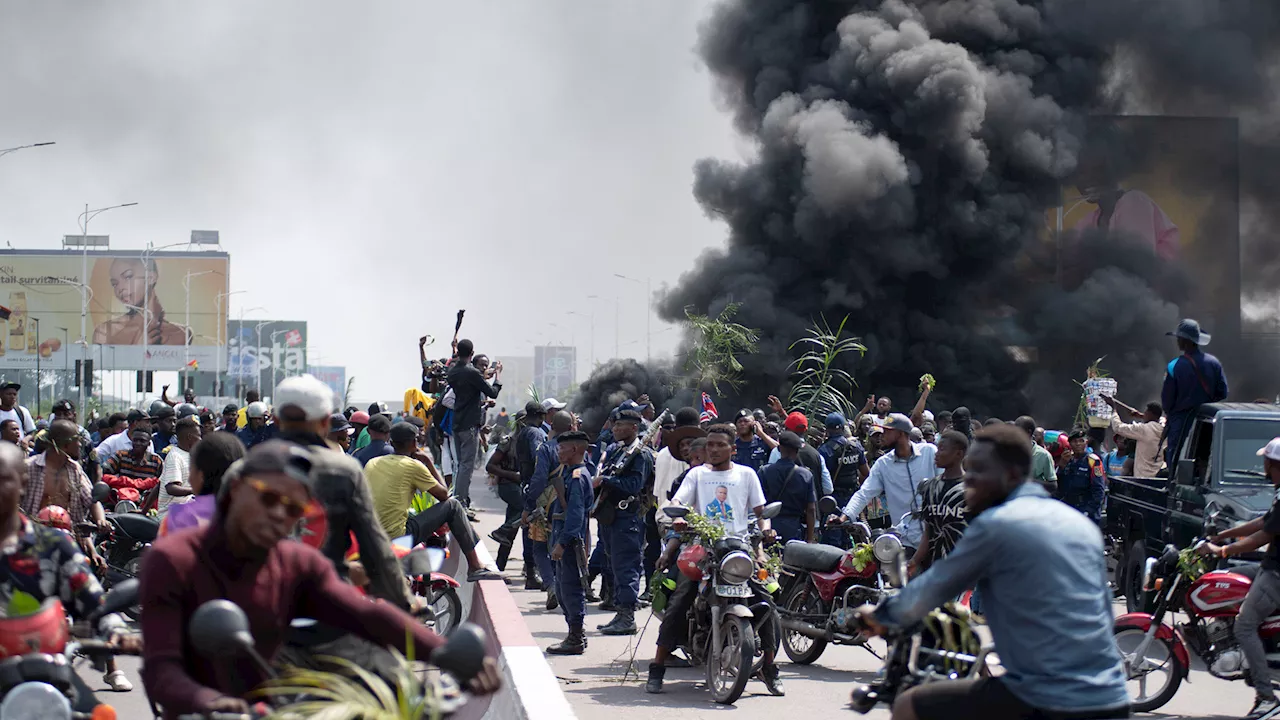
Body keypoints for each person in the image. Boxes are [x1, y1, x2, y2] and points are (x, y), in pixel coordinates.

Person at [139, 441, 502, 719]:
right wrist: (215, 703)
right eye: (268, 498)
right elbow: (162, 671)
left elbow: (365, 615)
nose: (280, 514)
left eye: (293, 506)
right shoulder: (174, 560)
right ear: (234, 492)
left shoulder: (294, 562)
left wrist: (442, 652)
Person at [854, 424, 1128, 720]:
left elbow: (936, 585)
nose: (969, 478)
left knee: (909, 705)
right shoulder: (1080, 526)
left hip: (1046, 698)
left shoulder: (998, 525)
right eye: (969, 468)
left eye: (980, 470)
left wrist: (880, 616)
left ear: (1011, 475)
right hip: (1111, 697)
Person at [0, 442, 139, 707]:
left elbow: (93, 602)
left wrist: (117, 631)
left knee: (98, 713)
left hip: (44, 676)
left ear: (22, 483)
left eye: (4, 479)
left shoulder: (53, 547)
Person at [648, 422, 781, 696]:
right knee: (680, 600)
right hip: (703, 549)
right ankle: (658, 667)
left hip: (738, 550)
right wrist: (681, 517)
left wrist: (765, 535)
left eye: (721, 445)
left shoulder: (747, 475)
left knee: (766, 603)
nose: (715, 449)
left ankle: (769, 667)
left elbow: (760, 513)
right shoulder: (697, 475)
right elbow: (680, 503)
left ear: (733, 449)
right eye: (710, 445)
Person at [1199, 437, 1280, 719]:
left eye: (1267, 463)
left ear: (1276, 465)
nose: (1264, 468)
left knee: (1245, 624)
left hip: (1278, 573)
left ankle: (1267, 698)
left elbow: (1263, 536)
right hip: (1270, 566)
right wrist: (1223, 533)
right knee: (1228, 576)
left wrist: (1223, 548)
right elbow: (1263, 522)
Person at [365, 423, 500, 582]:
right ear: (414, 443)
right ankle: (475, 566)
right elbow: (445, 495)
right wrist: (428, 462)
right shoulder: (413, 466)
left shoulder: (372, 463)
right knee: (454, 506)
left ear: (391, 442)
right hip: (396, 537)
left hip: (370, 535)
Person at [834, 413, 936, 553]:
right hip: (905, 541)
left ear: (900, 433)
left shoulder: (930, 452)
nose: (882, 434)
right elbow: (864, 493)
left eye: (887, 431)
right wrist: (844, 517)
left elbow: (947, 485)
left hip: (936, 535)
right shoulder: (883, 464)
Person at [595, 409, 654, 636]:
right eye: (615, 425)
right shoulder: (619, 451)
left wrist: (605, 480)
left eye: (621, 426)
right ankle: (620, 613)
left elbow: (633, 486)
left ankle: (628, 616)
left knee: (626, 567)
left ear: (634, 428)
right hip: (612, 518)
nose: (616, 429)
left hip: (627, 518)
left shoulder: (640, 455)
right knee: (615, 567)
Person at [546, 430, 594, 655]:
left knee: (570, 590)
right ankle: (576, 635)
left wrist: (562, 543)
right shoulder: (573, 473)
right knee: (565, 589)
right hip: (565, 536)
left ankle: (575, 637)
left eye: (562, 448)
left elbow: (575, 515)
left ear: (574, 449)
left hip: (571, 542)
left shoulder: (577, 476)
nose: (558, 451)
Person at [526, 410, 576, 610]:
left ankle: (551, 585)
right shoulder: (575, 447)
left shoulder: (545, 449)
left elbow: (538, 480)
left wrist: (529, 504)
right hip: (571, 502)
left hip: (546, 504)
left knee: (539, 548)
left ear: (552, 426)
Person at [1162, 318, 1228, 467]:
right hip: (1207, 421)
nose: (1177, 341)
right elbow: (1223, 392)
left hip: (1180, 421)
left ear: (1185, 341)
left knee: (1177, 459)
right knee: (1205, 459)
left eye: (1179, 338)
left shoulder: (1174, 366)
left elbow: (1167, 401)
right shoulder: (1214, 363)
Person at [446, 339, 502, 510]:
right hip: (470, 425)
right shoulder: (471, 373)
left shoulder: (453, 372)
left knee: (460, 464)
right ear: (472, 353)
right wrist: (498, 375)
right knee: (466, 466)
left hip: (457, 424)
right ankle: (460, 502)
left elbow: (470, 391)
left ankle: (458, 499)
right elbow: (492, 392)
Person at [160, 432, 245, 537]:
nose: (190, 480)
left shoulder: (177, 519)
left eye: (191, 470)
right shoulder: (254, 518)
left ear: (200, 476)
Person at [92, 256, 190, 345]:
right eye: (114, 284)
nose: (120, 288)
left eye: (128, 277)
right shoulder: (105, 333)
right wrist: (138, 349)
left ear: (151, 278)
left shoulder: (181, 334)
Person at [910, 431, 969, 575]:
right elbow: (928, 533)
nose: (937, 453)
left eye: (942, 449)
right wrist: (913, 563)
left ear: (958, 454)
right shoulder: (930, 487)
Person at [818, 412, 871, 545]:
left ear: (827, 429)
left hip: (833, 499)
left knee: (833, 536)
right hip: (853, 498)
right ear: (843, 428)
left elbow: (822, 479)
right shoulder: (856, 447)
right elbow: (866, 472)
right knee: (854, 535)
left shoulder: (824, 451)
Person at [761, 431, 816, 543]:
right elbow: (811, 509)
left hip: (769, 527)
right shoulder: (805, 475)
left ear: (779, 448)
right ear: (797, 452)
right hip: (794, 527)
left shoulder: (764, 471)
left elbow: (758, 505)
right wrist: (810, 538)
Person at [516, 401, 549, 590]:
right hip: (534, 486)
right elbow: (539, 460)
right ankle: (533, 573)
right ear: (541, 416)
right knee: (534, 532)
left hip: (526, 483)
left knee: (530, 530)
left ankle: (531, 572)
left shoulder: (523, 432)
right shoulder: (535, 433)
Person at [1103, 397, 1166, 477]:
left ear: (1150, 414)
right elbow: (1160, 419)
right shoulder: (1164, 428)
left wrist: (1114, 409)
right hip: (1157, 477)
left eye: (1146, 412)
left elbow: (1118, 427)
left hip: (1143, 477)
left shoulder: (1143, 429)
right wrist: (1141, 416)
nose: (1144, 414)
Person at [1056, 428, 1105, 524]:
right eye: (1075, 441)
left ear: (1086, 443)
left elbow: (1099, 491)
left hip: (1086, 511)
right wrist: (1061, 466)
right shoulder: (1067, 460)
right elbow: (1059, 486)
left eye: (1081, 441)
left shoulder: (1093, 461)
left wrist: (1088, 511)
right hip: (1069, 509)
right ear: (1069, 444)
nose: (1078, 444)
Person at [157, 416, 201, 516]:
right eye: (199, 436)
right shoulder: (175, 456)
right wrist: (195, 490)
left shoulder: (190, 455)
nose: (201, 439)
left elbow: (159, 485)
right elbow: (171, 488)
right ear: (190, 437)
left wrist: (144, 510)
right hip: (171, 514)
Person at [1014, 416, 1056, 494]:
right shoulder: (1011, 453)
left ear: (1028, 432)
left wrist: (1029, 482)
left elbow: (1053, 485)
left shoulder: (1044, 455)